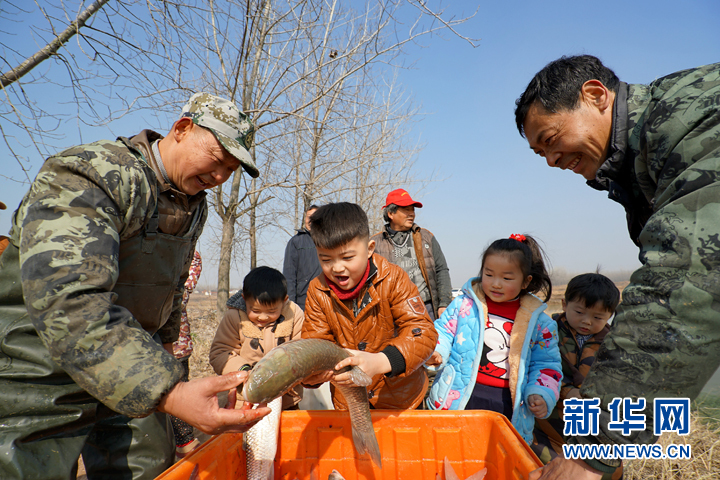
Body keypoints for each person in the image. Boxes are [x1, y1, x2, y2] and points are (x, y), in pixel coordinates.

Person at [0, 92, 271, 479]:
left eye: (231, 169)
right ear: (182, 129)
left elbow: (173, 287)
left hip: (133, 364)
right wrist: (171, 393)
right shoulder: (92, 173)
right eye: (217, 159)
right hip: (41, 365)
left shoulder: (195, 205)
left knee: (150, 467)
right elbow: (70, 302)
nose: (220, 177)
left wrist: (164, 352)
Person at [515, 55, 720, 479]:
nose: (551, 161)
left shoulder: (689, 119)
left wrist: (591, 452)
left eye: (551, 139)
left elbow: (687, 284)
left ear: (595, 95)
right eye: (540, 153)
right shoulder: (637, 170)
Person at [425, 234, 562, 446]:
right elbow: (442, 332)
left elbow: (546, 365)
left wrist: (541, 392)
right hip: (461, 396)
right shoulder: (464, 305)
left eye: (507, 278)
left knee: (496, 456)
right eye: (489, 274)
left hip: (508, 403)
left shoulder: (541, 324)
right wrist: (436, 352)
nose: (496, 284)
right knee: (451, 449)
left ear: (526, 281)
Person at [301, 202, 438, 410]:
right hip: (350, 404)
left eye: (347, 257)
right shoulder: (317, 290)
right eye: (326, 259)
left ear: (369, 249)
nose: (337, 268)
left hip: (401, 402)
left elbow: (423, 332)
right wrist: (312, 372)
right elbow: (315, 344)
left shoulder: (394, 278)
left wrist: (379, 362)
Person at [531, 273, 621, 480]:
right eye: (579, 312)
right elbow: (537, 365)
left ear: (610, 315)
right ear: (564, 304)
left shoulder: (614, 344)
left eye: (598, 317)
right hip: (550, 424)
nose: (587, 322)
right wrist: (567, 390)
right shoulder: (546, 331)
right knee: (546, 470)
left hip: (594, 429)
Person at [209, 266, 305, 409]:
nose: (263, 317)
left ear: (284, 300)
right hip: (245, 399)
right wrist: (244, 370)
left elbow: (302, 349)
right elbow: (220, 353)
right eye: (255, 310)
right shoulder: (234, 317)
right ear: (244, 299)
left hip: (286, 398)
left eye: (272, 311)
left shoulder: (294, 313)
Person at [371, 189, 452, 320]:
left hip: (426, 308)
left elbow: (441, 270)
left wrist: (444, 304)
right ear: (391, 213)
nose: (411, 214)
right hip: (392, 312)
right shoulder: (374, 244)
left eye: (412, 210)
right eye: (406, 210)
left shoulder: (426, 237)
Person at [170, 250, 203, 461]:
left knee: (179, 394)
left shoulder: (189, 255)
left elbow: (180, 296)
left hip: (177, 344)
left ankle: (186, 444)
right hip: (145, 345)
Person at [283, 205, 322, 309]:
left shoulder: (329, 241)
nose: (310, 220)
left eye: (314, 216)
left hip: (327, 302)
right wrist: (290, 307)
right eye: (308, 216)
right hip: (303, 303)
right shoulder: (295, 242)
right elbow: (289, 277)